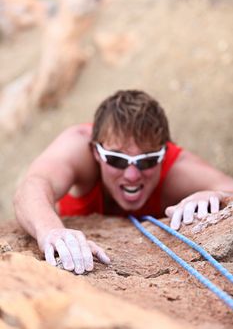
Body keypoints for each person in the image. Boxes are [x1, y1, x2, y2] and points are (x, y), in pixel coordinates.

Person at [14, 90, 233, 275]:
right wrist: (51, 231)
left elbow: (227, 187)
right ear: (95, 152)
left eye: (147, 161)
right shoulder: (78, 146)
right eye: (117, 159)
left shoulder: (177, 169)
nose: (132, 175)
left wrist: (216, 195)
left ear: (163, 155)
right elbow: (33, 185)